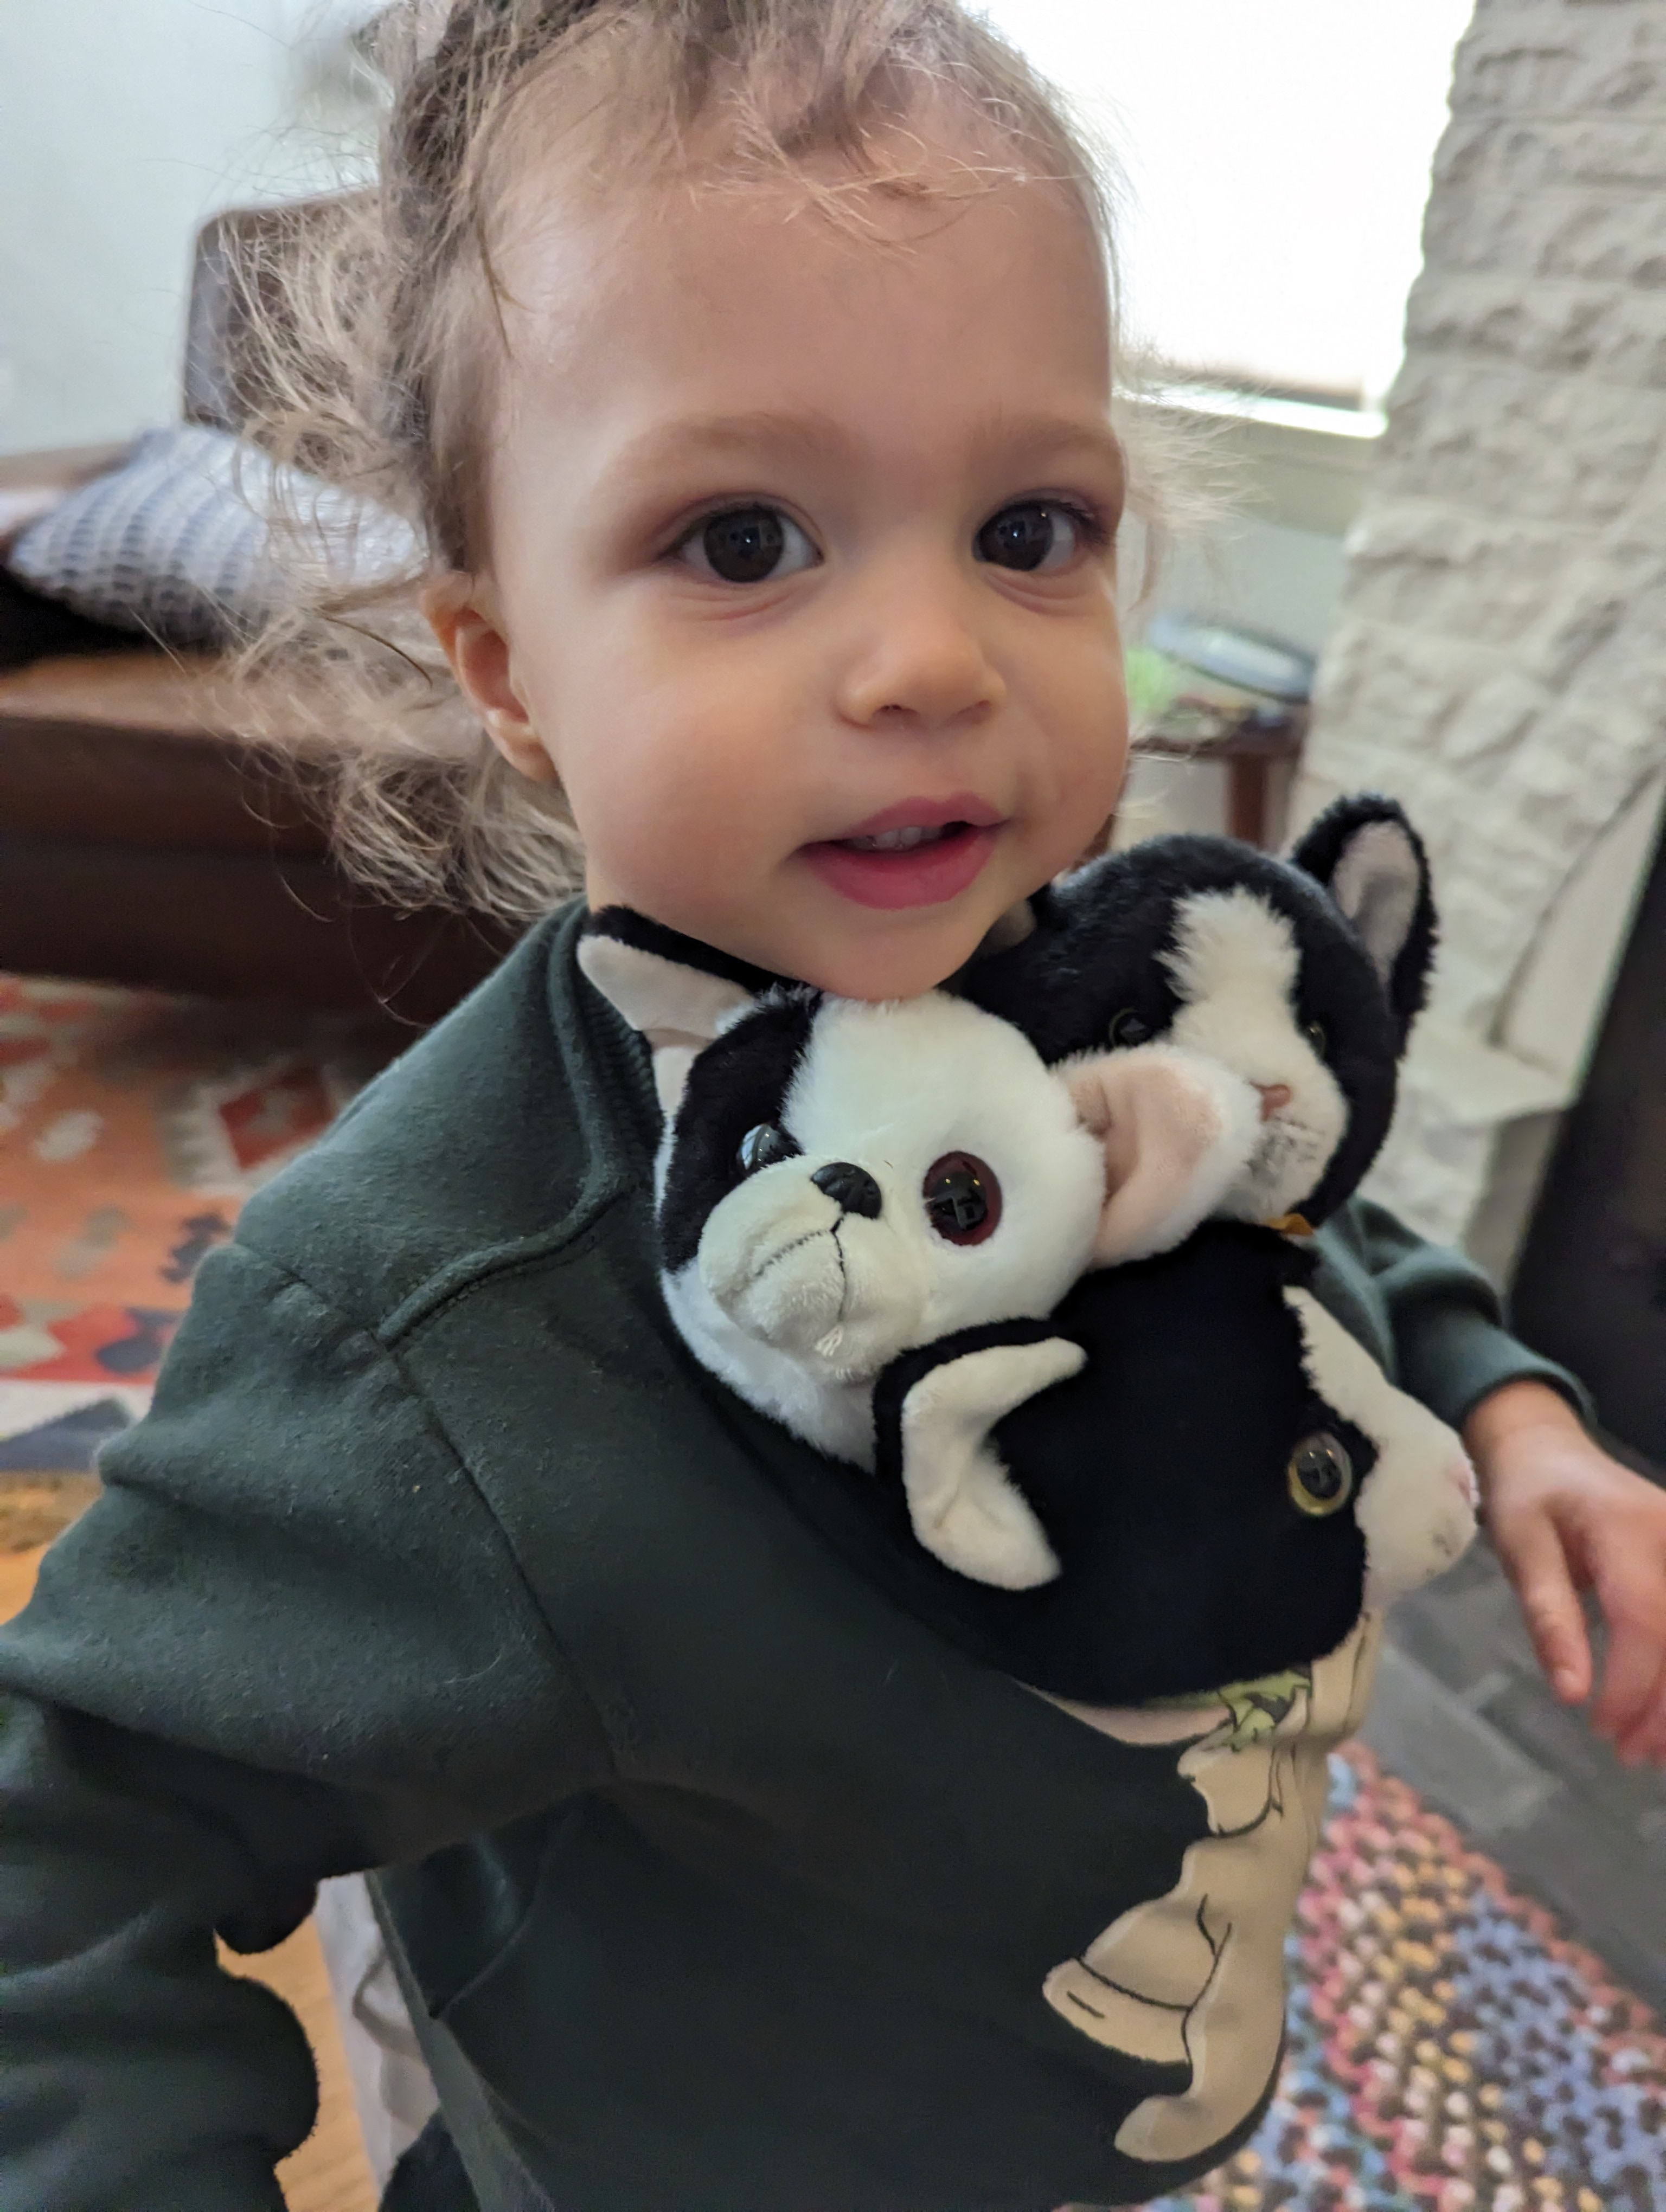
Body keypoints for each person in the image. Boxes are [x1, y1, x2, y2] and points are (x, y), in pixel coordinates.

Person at [3, 4, 1665, 2208]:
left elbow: (1281, 1206)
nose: (932, 662)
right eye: (743, 539)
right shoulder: (420, 1333)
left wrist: (1505, 1400)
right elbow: (58, 1855)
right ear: (505, 666)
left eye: (1029, 526)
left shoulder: (1101, 981)